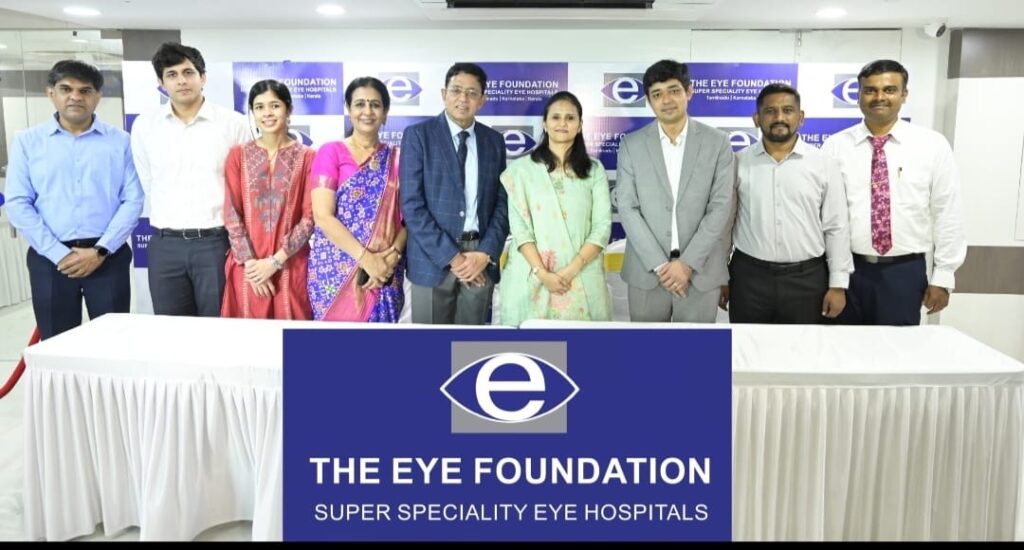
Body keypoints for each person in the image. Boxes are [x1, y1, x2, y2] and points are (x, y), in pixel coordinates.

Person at [6, 60, 143, 339]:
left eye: (85, 90)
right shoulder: (28, 142)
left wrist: (101, 250)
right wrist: (60, 254)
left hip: (107, 257)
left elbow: (133, 199)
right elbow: (17, 202)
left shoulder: (120, 141)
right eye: (66, 89)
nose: (75, 97)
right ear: (51, 93)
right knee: (57, 344)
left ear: (98, 96)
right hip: (50, 260)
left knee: (113, 342)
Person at [822, 59, 966, 325]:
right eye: (870, 90)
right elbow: (828, 216)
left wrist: (944, 276)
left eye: (889, 90)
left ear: (904, 94)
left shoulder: (931, 145)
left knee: (898, 349)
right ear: (859, 95)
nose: (879, 97)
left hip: (904, 273)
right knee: (842, 347)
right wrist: (835, 278)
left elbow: (948, 212)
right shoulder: (835, 147)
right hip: (847, 271)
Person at [130, 42, 249, 316]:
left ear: (203, 77)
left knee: (220, 326)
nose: (181, 81)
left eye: (188, 72)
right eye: (171, 74)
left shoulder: (233, 124)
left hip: (216, 244)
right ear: (161, 82)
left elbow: (246, 187)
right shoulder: (145, 126)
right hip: (165, 246)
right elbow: (149, 181)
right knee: (172, 331)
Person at [615, 59, 736, 323]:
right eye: (657, 94)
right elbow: (627, 206)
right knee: (646, 347)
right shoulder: (632, 145)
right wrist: (661, 266)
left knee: (695, 349)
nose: (666, 100)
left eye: (673, 90)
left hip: (700, 272)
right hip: (647, 273)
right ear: (649, 101)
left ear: (689, 92)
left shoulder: (717, 143)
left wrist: (687, 264)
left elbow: (721, 206)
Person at [722, 83, 853, 324]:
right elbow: (725, 225)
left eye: (788, 110)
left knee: (804, 347)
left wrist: (838, 284)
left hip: (808, 280)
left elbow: (836, 226)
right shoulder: (737, 163)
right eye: (770, 111)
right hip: (749, 279)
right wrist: (721, 276)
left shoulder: (824, 164)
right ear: (756, 119)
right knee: (748, 345)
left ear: (800, 117)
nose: (779, 117)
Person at [399, 62, 509, 325]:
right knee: (429, 345)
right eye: (456, 90)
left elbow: (502, 204)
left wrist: (485, 253)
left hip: (479, 259)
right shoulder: (418, 136)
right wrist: (453, 257)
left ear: (482, 100)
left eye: (472, 93)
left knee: (470, 345)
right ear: (443, 94)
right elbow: (412, 206)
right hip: (432, 260)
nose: (463, 99)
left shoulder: (494, 142)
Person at [499, 91, 612, 326]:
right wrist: (543, 274)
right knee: (531, 346)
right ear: (544, 123)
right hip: (532, 276)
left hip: (580, 276)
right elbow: (520, 230)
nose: (562, 123)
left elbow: (602, 227)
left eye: (570, 118)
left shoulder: (594, 170)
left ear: (580, 126)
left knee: (583, 346)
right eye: (556, 117)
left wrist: (569, 271)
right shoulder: (521, 171)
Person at [307, 77, 406, 322]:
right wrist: (367, 260)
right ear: (349, 110)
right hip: (334, 270)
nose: (367, 111)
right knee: (335, 343)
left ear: (385, 113)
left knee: (381, 344)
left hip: (384, 271)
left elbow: (409, 219)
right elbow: (322, 216)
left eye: (375, 105)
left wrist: (391, 257)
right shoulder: (330, 152)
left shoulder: (398, 158)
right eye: (360, 104)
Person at [221, 80, 315, 320]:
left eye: (275, 105)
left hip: (291, 264)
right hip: (247, 267)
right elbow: (231, 213)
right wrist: (252, 266)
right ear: (252, 113)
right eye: (259, 107)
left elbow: (310, 217)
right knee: (248, 338)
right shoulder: (238, 155)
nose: (267, 113)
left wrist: (275, 262)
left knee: (292, 336)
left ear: (289, 109)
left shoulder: (308, 157)